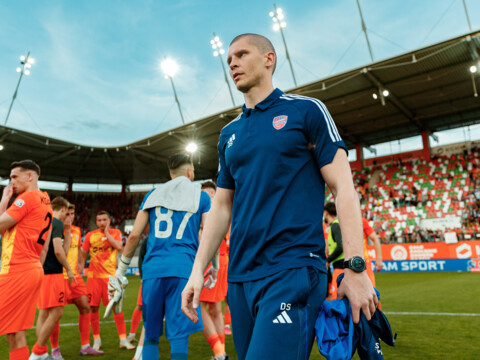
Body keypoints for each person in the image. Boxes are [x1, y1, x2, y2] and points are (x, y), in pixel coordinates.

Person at [181, 33, 377, 360]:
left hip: (293, 269)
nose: (232, 63)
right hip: (241, 278)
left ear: (269, 59)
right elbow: (222, 206)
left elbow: (344, 188)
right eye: (229, 59)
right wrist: (196, 270)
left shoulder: (307, 111)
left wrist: (355, 268)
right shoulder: (229, 135)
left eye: (241, 54)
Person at [110, 153, 212, 360]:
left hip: (153, 270)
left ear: (170, 173)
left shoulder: (152, 195)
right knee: (179, 336)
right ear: (190, 171)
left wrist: (120, 271)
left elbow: (135, 236)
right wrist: (212, 266)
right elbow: (210, 234)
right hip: (183, 269)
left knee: (150, 333)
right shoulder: (201, 196)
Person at [0, 160, 53, 360]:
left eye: (15, 177)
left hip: (17, 270)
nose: (11, 181)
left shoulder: (26, 198)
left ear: (30, 176)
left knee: (14, 333)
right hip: (31, 269)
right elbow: (45, 247)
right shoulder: (45, 201)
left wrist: (4, 202)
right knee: (14, 334)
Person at [51, 204, 103, 356]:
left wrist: (81, 263)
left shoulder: (77, 230)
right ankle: (55, 350)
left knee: (85, 308)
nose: (70, 217)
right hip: (59, 277)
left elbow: (79, 248)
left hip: (75, 278)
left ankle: (85, 346)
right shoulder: (54, 229)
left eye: (72, 214)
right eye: (67, 214)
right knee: (55, 314)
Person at [81, 211, 134, 351]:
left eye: (104, 220)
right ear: (96, 222)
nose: (102, 222)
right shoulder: (90, 236)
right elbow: (83, 253)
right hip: (93, 279)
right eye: (99, 220)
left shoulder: (115, 232)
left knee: (117, 307)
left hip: (111, 279)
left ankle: (123, 339)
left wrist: (107, 234)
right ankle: (96, 340)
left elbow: (118, 246)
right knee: (93, 308)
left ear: (109, 221)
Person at [30, 196, 74, 360]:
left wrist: (68, 231)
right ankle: (37, 352)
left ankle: (41, 353)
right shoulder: (57, 223)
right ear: (63, 209)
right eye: (67, 212)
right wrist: (68, 269)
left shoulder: (44, 221)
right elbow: (59, 250)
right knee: (57, 312)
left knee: (43, 313)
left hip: (41, 271)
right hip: (53, 273)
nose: (67, 216)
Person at [199, 181, 229, 360]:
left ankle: (219, 353)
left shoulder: (211, 211)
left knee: (200, 306)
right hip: (222, 260)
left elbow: (209, 239)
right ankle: (221, 353)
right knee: (215, 308)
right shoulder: (225, 208)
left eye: (204, 194)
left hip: (213, 261)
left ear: (211, 194)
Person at [324, 202, 344, 300]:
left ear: (326, 213)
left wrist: (328, 260)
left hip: (340, 268)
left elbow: (340, 247)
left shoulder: (335, 226)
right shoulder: (335, 225)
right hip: (340, 267)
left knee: (336, 298)